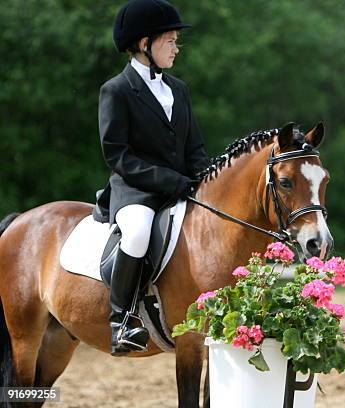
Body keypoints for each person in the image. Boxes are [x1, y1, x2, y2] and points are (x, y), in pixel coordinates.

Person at [92, 0, 210, 355]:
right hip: (135, 191)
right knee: (140, 231)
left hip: (180, 187)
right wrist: (171, 181)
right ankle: (121, 321)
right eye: (170, 40)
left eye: (176, 40)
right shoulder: (117, 90)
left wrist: (207, 178)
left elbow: (194, 149)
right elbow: (118, 155)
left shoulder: (178, 89)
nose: (177, 47)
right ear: (145, 44)